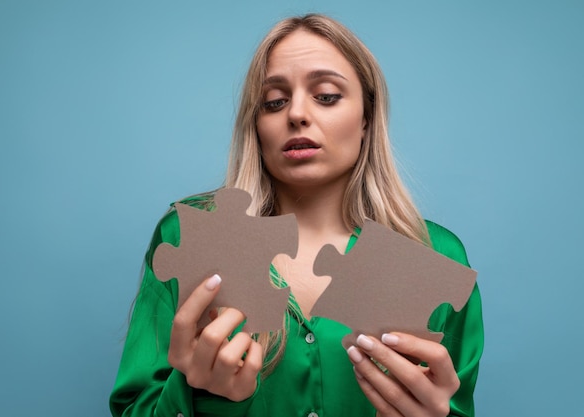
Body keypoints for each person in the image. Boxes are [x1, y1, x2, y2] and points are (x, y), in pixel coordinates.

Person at [110, 14, 483, 417]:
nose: (296, 114)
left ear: (367, 119)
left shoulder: (434, 255)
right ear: (255, 125)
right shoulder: (189, 235)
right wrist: (197, 393)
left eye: (326, 96)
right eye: (274, 102)